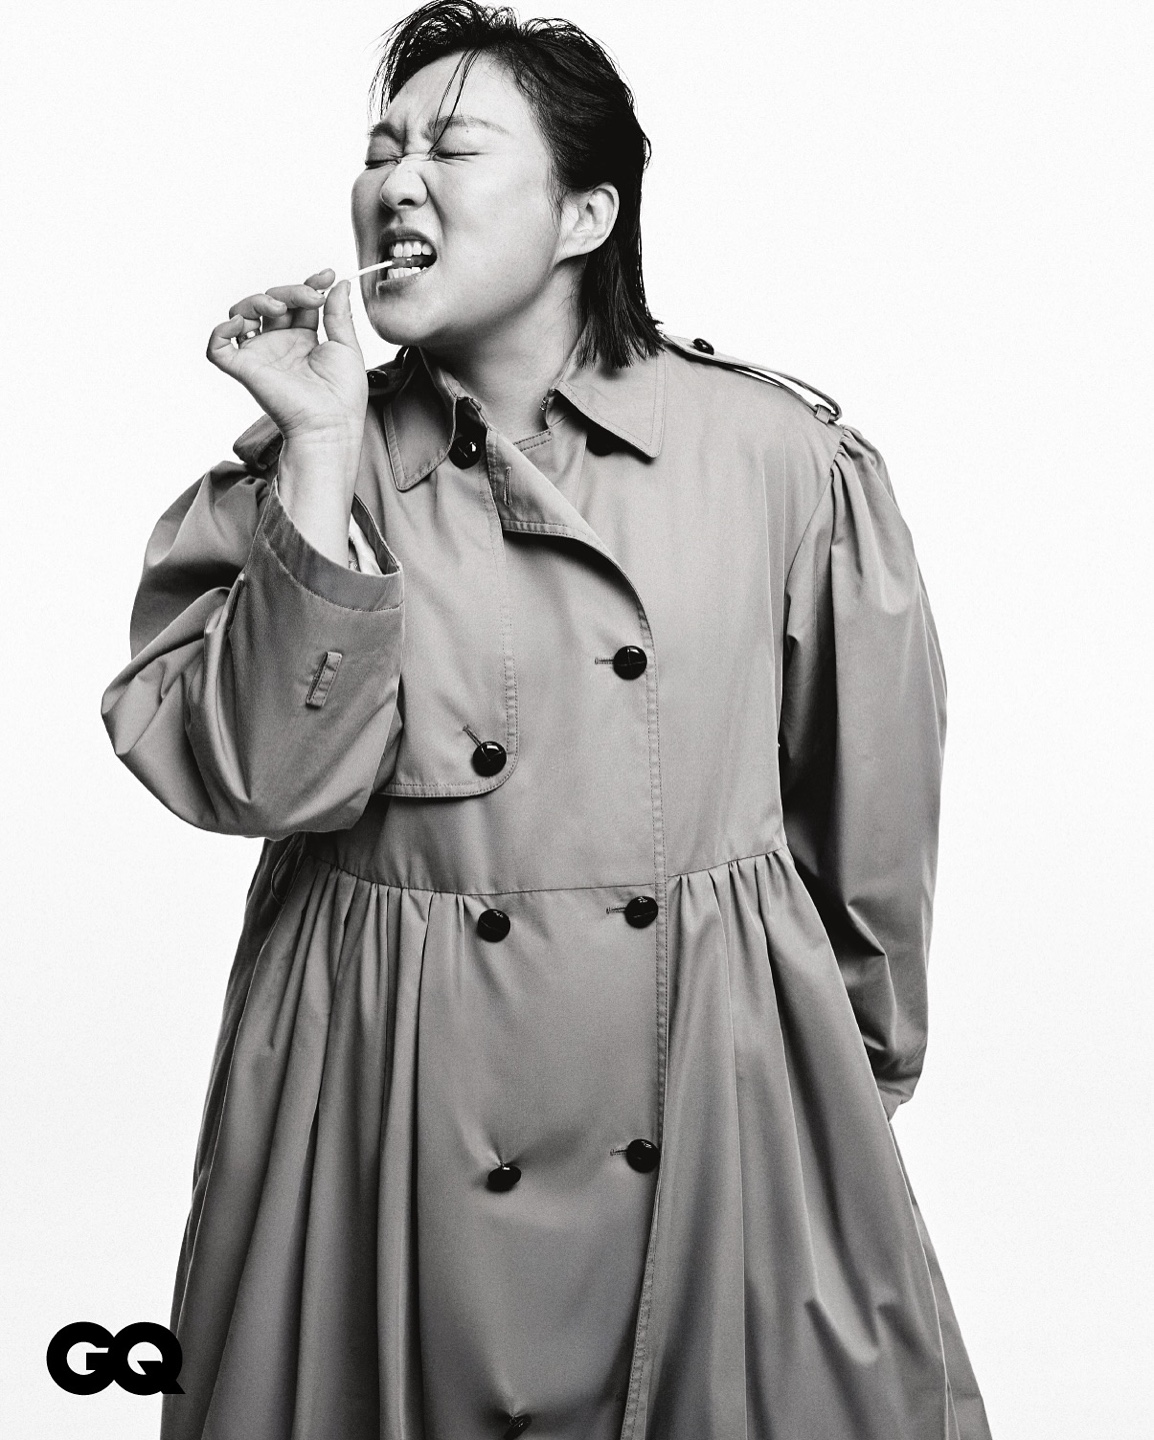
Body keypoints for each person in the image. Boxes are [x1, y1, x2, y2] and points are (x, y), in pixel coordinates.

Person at [101, 3, 992, 1437]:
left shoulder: (781, 461)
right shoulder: (304, 472)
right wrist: (320, 446)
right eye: (380, 151)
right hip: (386, 1089)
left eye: (452, 148)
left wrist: (846, 1078)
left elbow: (871, 811)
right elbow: (257, 780)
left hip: (711, 1081)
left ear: (586, 213)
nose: (397, 181)